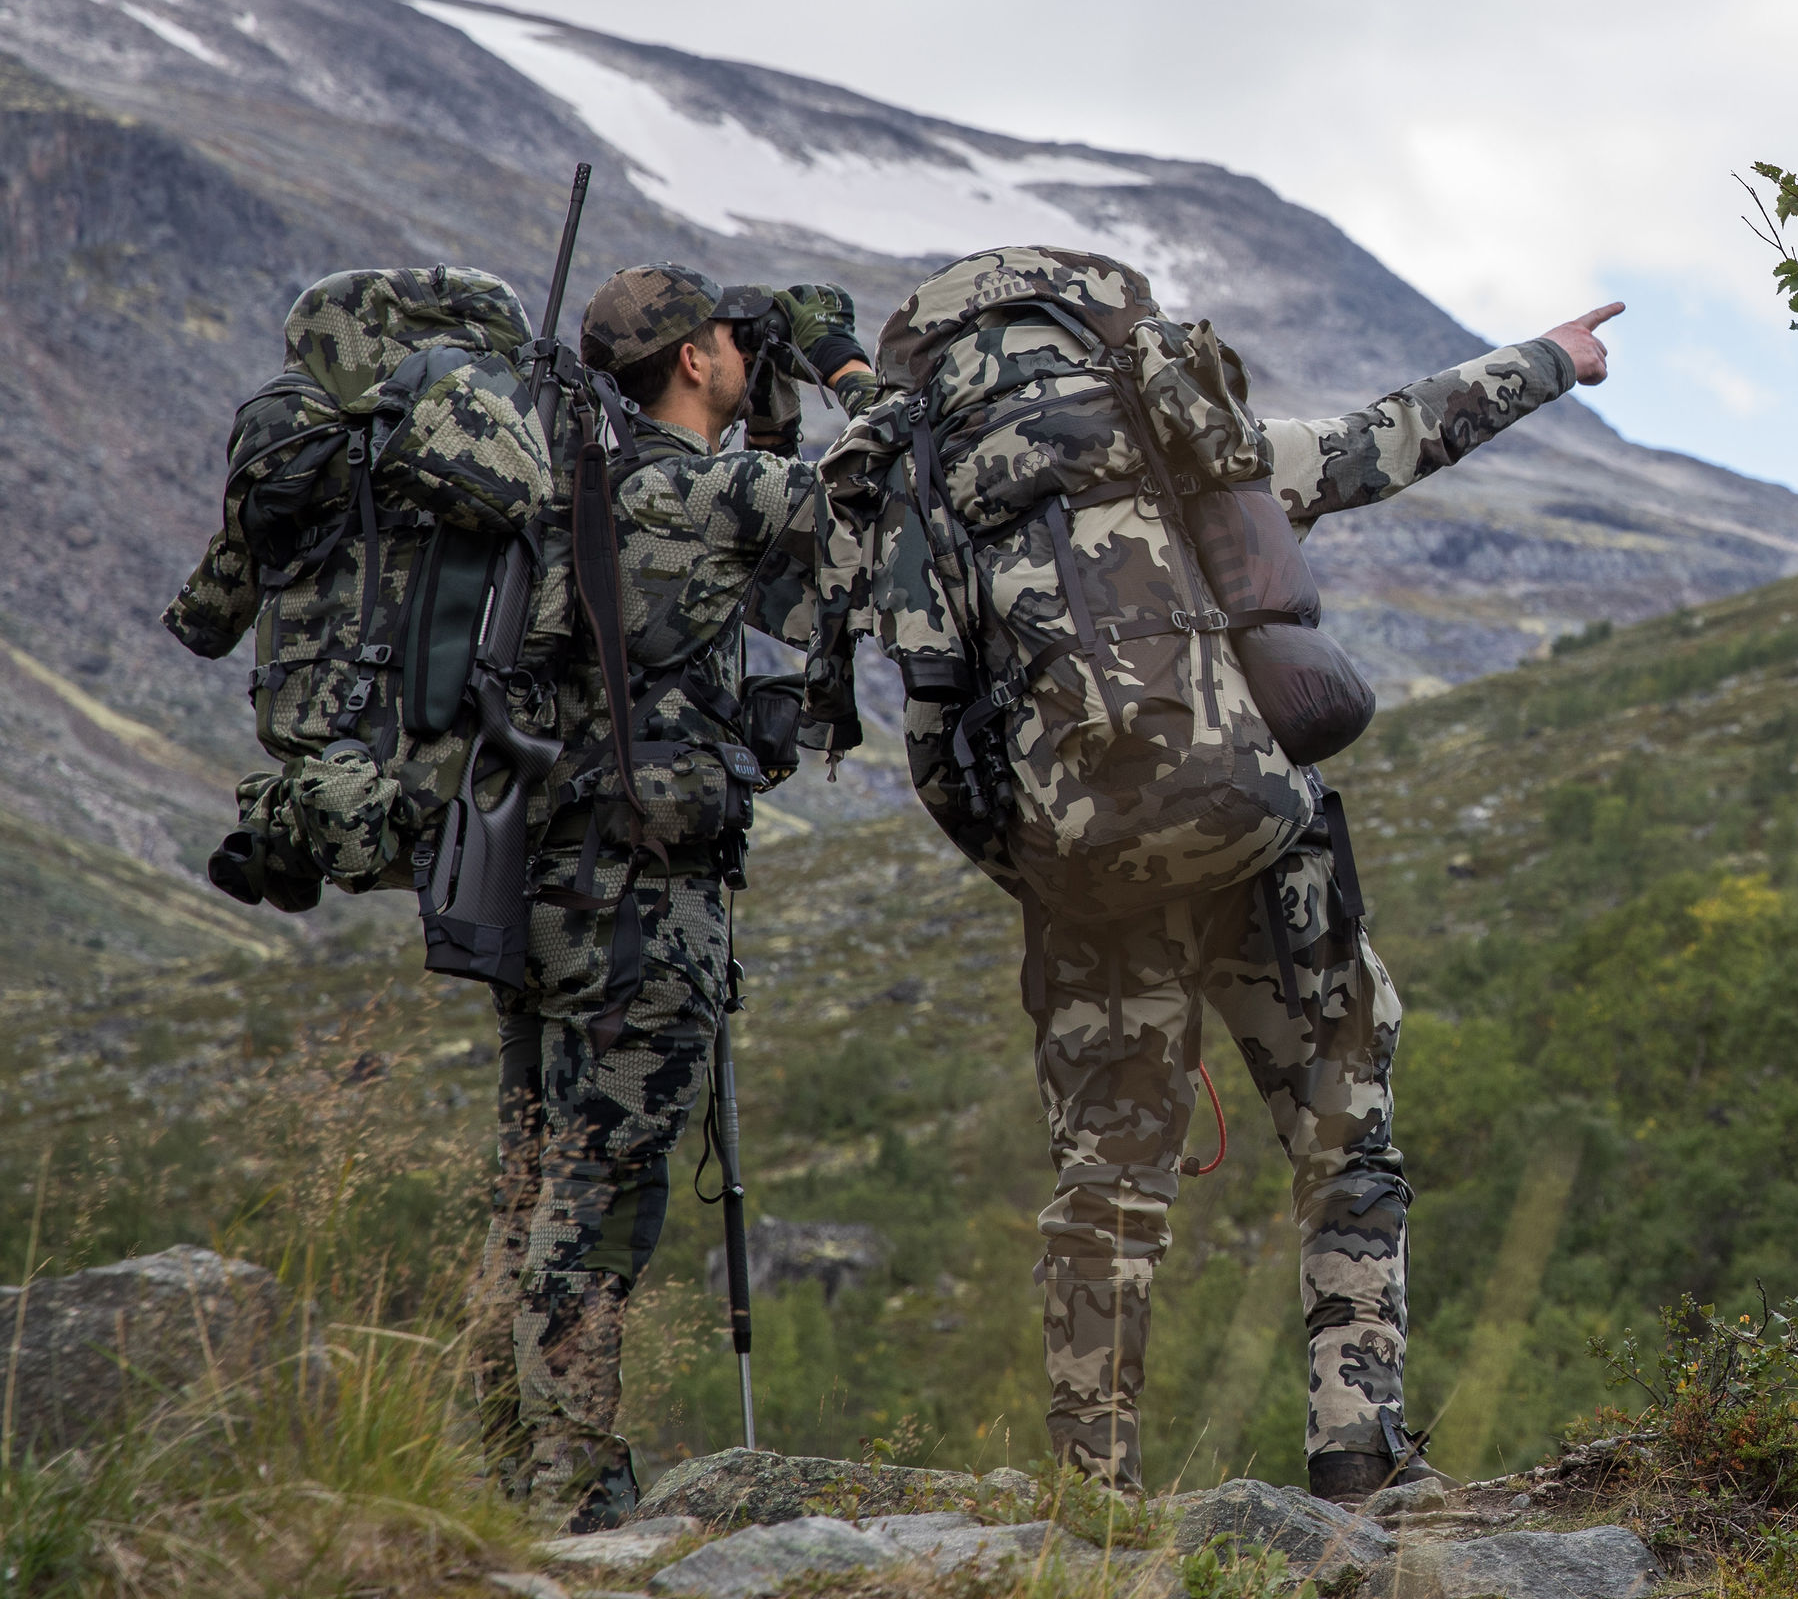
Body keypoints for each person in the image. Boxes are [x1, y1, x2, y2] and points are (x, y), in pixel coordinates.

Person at [977, 286, 1623, 1500]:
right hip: (1266, 844)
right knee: (1348, 1152)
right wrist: (1550, 359)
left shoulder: (967, 512)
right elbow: (1392, 437)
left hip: (1093, 884)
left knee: (1110, 1187)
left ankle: (1090, 1489)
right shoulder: (1209, 461)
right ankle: (1359, 1460)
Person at [472, 265, 879, 1529]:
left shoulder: (590, 487)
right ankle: (574, 1484)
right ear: (695, 360)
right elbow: (874, 493)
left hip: (540, 883)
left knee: (535, 1176)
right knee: (605, 1187)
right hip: (641, 907)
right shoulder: (705, 489)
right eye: (728, 339)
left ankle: (492, 1462)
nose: (740, 349)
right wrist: (844, 371)